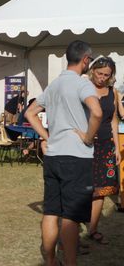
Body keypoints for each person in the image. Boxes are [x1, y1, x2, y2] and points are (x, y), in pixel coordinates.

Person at [25, 40, 102, 266]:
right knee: (70, 218)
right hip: (76, 158)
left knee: (51, 212)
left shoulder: (54, 85)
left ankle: (50, 261)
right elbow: (96, 113)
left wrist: (47, 137)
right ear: (86, 59)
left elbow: (30, 113)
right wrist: (88, 138)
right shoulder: (83, 84)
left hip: (54, 156)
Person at [83, 57, 121, 244]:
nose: (102, 78)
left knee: (102, 189)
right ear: (93, 70)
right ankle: (73, 229)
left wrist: (117, 148)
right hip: (84, 144)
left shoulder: (112, 92)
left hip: (106, 145)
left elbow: (113, 120)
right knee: (81, 188)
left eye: (107, 75)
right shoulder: (82, 87)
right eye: (100, 73)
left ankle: (93, 229)